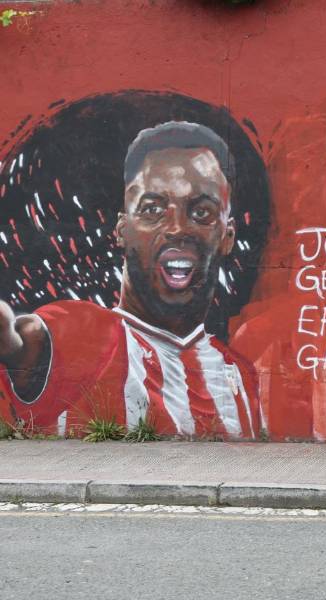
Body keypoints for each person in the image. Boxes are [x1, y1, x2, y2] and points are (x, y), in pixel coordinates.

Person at [0, 121, 261, 439]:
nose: (177, 228)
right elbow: (24, 342)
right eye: (153, 209)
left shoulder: (238, 373)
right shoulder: (87, 333)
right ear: (123, 230)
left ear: (227, 235)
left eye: (202, 212)